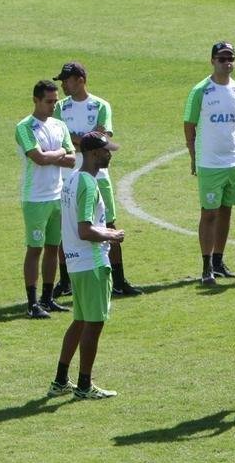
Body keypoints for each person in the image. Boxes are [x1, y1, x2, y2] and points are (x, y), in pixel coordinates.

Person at [47, 132, 126, 400]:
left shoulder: (72, 180)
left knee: (80, 322)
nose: (109, 155)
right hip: (92, 263)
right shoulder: (90, 184)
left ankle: (60, 380)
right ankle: (84, 385)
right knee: (94, 324)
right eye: (106, 151)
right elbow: (85, 229)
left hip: (75, 263)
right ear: (93, 154)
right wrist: (112, 235)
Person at [55, 61, 141, 297]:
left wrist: (78, 139)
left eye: (67, 79)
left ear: (80, 80)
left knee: (108, 222)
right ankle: (65, 282)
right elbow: (65, 137)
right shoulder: (60, 108)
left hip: (100, 176)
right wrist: (88, 140)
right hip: (69, 176)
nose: (63, 84)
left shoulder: (101, 105)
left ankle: (119, 280)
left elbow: (103, 137)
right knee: (67, 226)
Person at [184, 42, 235, 284]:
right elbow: (189, 124)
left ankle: (219, 260)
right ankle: (206, 265)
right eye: (222, 58)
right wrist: (194, 156)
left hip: (234, 160)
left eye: (230, 57)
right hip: (210, 162)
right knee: (209, 213)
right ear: (212, 60)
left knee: (226, 210)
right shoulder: (201, 90)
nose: (227, 62)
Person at [15, 80, 75, 319]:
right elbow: (37, 158)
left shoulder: (60, 125)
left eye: (55, 101)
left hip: (57, 195)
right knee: (35, 249)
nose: (53, 106)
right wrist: (59, 152)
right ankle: (32, 302)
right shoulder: (25, 127)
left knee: (53, 248)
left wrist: (54, 155)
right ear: (36, 101)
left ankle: (47, 298)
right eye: (49, 102)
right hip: (35, 198)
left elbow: (72, 159)